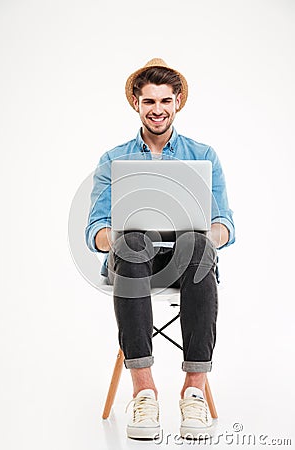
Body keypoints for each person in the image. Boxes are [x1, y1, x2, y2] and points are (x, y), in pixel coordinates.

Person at [85, 58, 235, 440]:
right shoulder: (113, 160)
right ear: (136, 103)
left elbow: (225, 224)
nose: (157, 110)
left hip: (187, 258)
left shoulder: (204, 156)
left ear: (178, 101)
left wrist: (207, 234)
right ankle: (144, 392)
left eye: (165, 101)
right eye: (149, 101)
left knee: (197, 244)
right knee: (134, 242)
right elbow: (95, 229)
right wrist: (115, 235)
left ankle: (194, 391)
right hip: (134, 261)